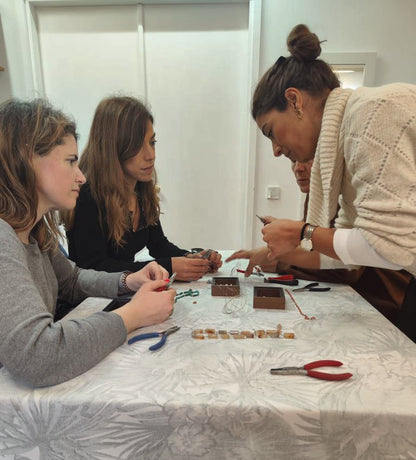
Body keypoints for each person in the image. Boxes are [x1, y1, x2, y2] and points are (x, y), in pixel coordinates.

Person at [237, 23, 416, 341]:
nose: (276, 150)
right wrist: (286, 248)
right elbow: (350, 251)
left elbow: (391, 248)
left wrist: (302, 232)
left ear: (294, 101)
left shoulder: (372, 113)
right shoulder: (344, 150)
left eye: (270, 132)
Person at [0, 98, 176, 387]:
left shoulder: (35, 232)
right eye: (70, 161)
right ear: (26, 161)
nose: (81, 176)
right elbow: (36, 356)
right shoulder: (3, 238)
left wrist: (128, 281)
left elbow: (71, 281)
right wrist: (132, 315)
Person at [227, 160, 412, 325]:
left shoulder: (349, 193)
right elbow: (310, 243)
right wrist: (272, 251)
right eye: (292, 160)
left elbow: (345, 265)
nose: (298, 168)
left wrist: (280, 259)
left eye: (307, 160)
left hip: (388, 304)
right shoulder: (317, 196)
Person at [64, 96, 222, 282]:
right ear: (114, 147)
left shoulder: (140, 188)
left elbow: (158, 245)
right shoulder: (87, 195)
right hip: (93, 302)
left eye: (152, 143)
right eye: (138, 145)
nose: (151, 155)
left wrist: (192, 258)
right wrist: (168, 267)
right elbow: (93, 267)